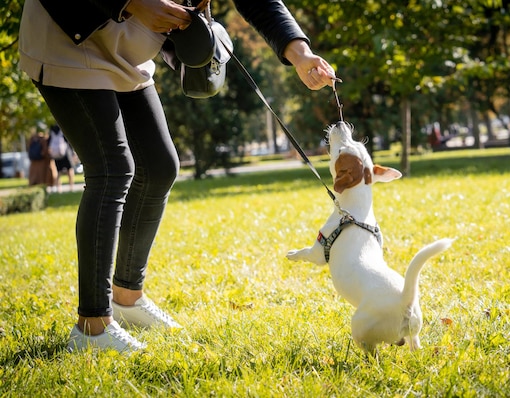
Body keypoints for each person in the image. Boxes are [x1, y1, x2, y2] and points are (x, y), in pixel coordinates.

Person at [19, 0, 336, 353]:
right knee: (112, 170)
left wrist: (300, 53)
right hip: (68, 41)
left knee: (159, 166)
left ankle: (127, 298)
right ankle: (92, 328)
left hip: (128, 52)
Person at [49, 125, 76, 193]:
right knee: (70, 169)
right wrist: (73, 152)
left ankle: (59, 188)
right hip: (66, 152)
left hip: (56, 154)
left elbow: (49, 142)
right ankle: (71, 187)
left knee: (59, 171)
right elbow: (68, 141)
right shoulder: (63, 128)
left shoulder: (52, 130)